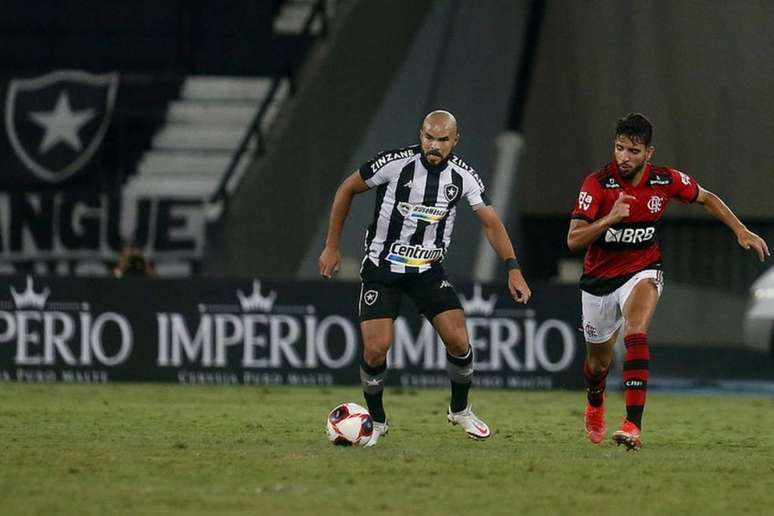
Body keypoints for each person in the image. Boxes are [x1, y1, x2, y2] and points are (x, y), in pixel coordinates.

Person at [319, 110, 531, 446]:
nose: (434, 145)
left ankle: (460, 409)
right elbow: (346, 189)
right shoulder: (394, 164)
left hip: (428, 271)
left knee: (459, 342)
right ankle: (376, 420)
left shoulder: (463, 177)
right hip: (382, 270)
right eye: (429, 137)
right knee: (376, 349)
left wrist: (513, 268)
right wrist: (332, 246)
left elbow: (491, 222)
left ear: (455, 141)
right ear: (421, 135)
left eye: (442, 139)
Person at [568, 113, 770, 451]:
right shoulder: (597, 184)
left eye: (633, 150)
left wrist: (740, 229)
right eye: (619, 148)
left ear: (649, 152)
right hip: (599, 281)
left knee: (635, 333)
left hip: (643, 270)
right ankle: (595, 397)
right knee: (597, 364)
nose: (624, 157)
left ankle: (632, 424)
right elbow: (574, 240)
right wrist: (610, 218)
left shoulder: (665, 181)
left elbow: (707, 198)